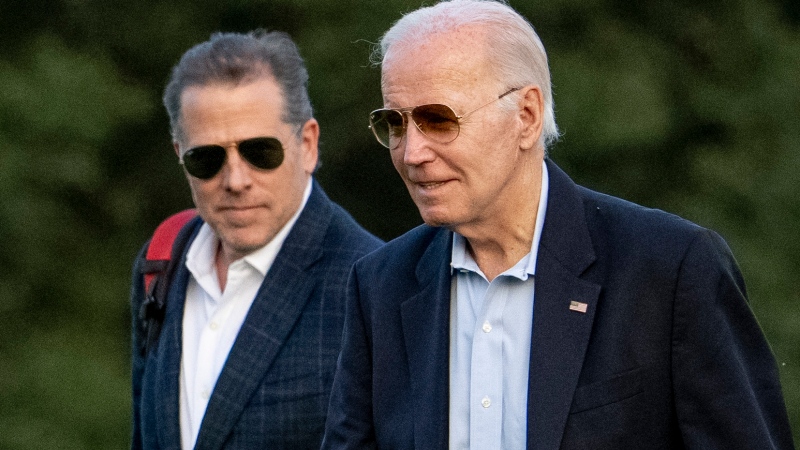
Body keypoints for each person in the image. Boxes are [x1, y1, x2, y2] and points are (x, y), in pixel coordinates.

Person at [322, 1, 795, 449]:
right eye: (396, 124)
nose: (411, 153)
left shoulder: (669, 271)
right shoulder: (380, 284)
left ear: (526, 116)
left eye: (438, 120)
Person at [129, 30, 382, 450]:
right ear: (180, 154)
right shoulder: (161, 261)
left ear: (308, 145)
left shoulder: (371, 282)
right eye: (206, 158)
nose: (235, 180)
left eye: (260, 152)